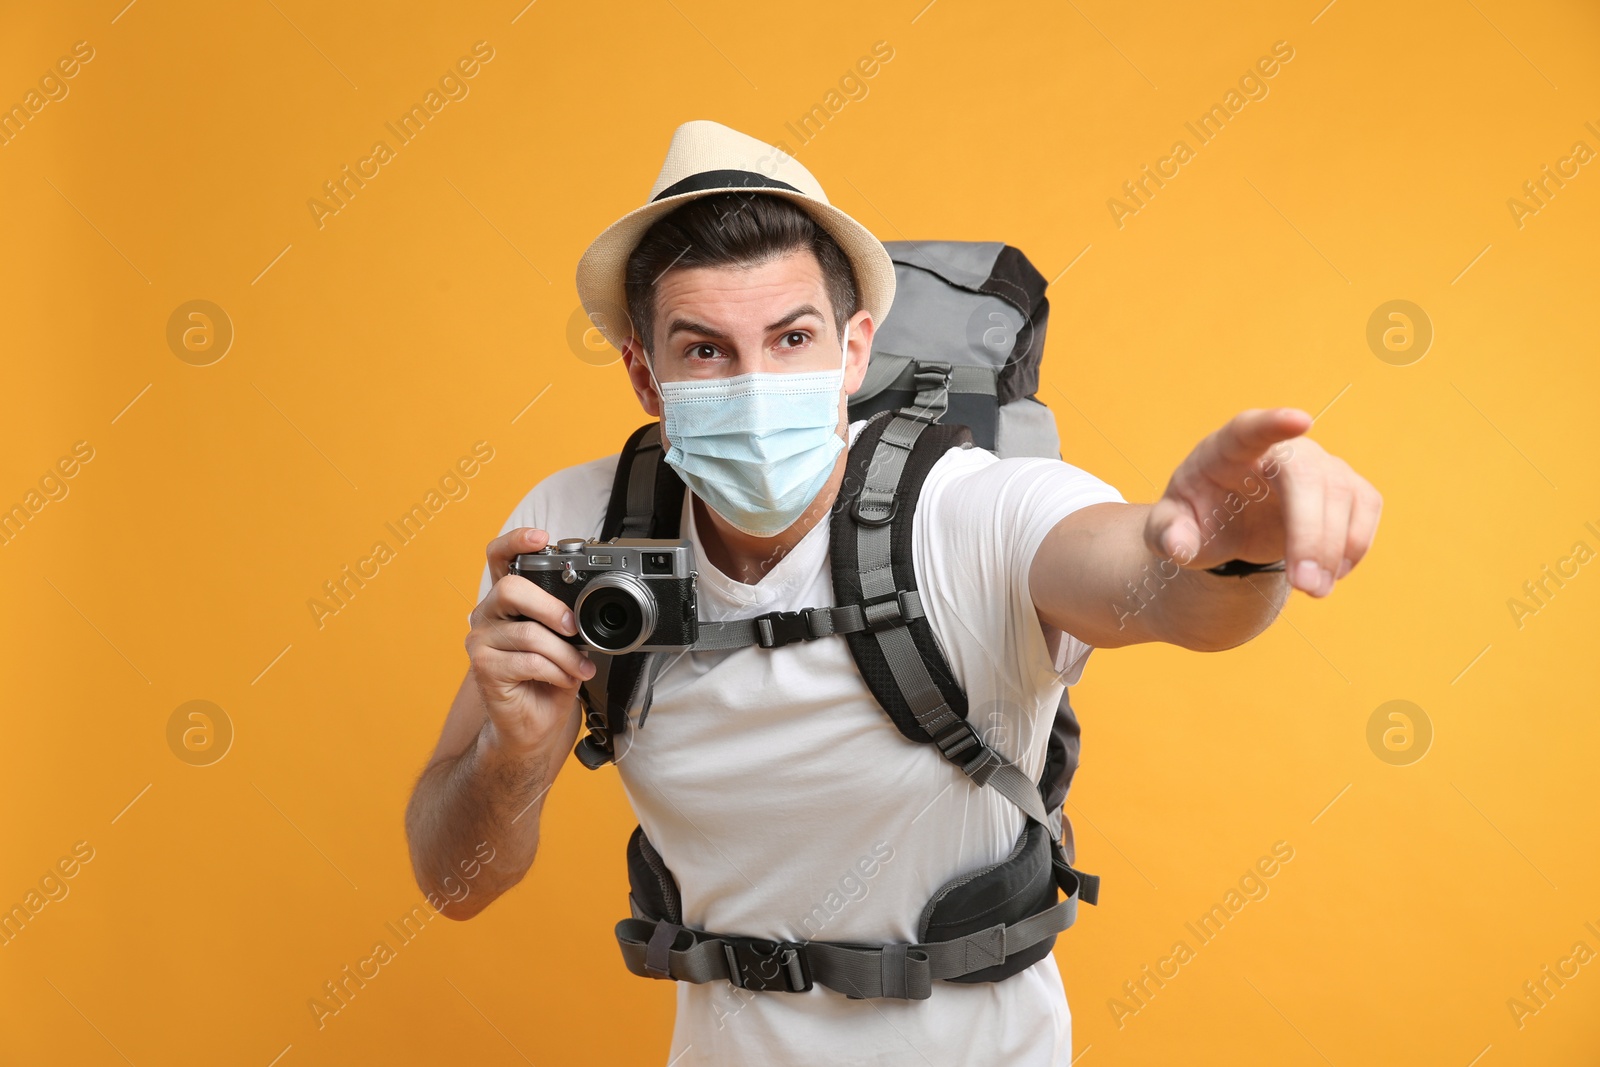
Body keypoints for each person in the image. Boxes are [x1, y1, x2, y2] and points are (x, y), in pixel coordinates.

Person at [404, 120, 1381, 1065]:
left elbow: (1163, 591)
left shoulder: (972, 510)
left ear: (855, 348)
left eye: (791, 339)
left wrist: (1233, 541)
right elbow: (454, 880)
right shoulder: (579, 529)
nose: (753, 382)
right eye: (704, 349)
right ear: (644, 375)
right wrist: (513, 753)